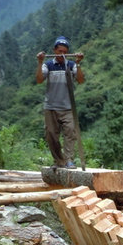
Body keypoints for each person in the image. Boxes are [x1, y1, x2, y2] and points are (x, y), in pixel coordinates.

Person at [36, 36, 85, 168]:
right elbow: (39, 79)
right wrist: (40, 62)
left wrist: (78, 63)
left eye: (64, 52)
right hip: (51, 107)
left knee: (70, 132)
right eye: (59, 52)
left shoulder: (71, 65)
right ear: (54, 50)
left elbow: (80, 80)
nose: (62, 54)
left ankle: (69, 159)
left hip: (68, 107)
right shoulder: (49, 65)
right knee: (51, 135)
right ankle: (59, 161)